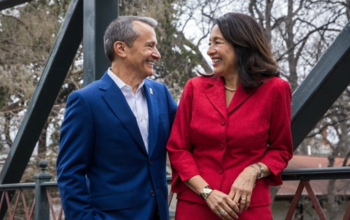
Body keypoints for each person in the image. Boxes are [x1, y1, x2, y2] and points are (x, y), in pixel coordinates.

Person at [167, 12, 293, 220]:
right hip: (196, 206)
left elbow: (281, 150)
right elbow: (178, 148)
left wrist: (252, 172)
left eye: (217, 42)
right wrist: (207, 192)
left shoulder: (276, 89)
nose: (209, 50)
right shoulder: (194, 88)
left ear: (241, 44)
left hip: (247, 208)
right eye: (209, 43)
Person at [57, 16, 177, 220]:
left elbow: (190, 139)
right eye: (150, 46)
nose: (156, 54)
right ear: (121, 48)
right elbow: (70, 173)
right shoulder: (86, 101)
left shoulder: (161, 93)